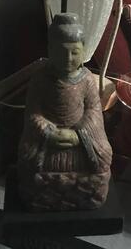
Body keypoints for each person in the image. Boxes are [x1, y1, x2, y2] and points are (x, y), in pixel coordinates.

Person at [18, 13, 112, 211]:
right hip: (47, 138)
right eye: (61, 52)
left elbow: (94, 110)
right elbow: (33, 113)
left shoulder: (87, 79)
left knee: (104, 158)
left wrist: (79, 134)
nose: (68, 59)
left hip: (81, 138)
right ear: (50, 50)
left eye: (74, 52)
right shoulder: (40, 78)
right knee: (27, 158)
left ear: (83, 51)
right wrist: (48, 132)